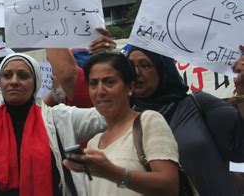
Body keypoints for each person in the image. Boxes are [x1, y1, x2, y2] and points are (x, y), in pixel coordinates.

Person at [0, 52, 105, 195]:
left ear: (35, 82)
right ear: (0, 82)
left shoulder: (61, 118)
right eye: (7, 75)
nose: (14, 81)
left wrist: (109, 65)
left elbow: (107, 116)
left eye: (23, 76)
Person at [126, 45, 244, 196]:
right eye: (130, 67)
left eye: (145, 65)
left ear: (163, 69)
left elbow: (240, 149)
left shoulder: (198, 104)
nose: (136, 73)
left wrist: (242, 90)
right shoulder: (123, 119)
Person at [63, 52, 179, 195]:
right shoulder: (94, 142)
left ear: (130, 88)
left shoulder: (148, 121)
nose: (100, 91)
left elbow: (169, 186)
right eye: (93, 83)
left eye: (109, 82)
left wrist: (112, 172)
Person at [45, 28, 116, 108]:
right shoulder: (60, 95)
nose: (51, 76)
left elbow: (67, 74)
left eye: (56, 71)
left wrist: (48, 25)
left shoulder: (88, 96)